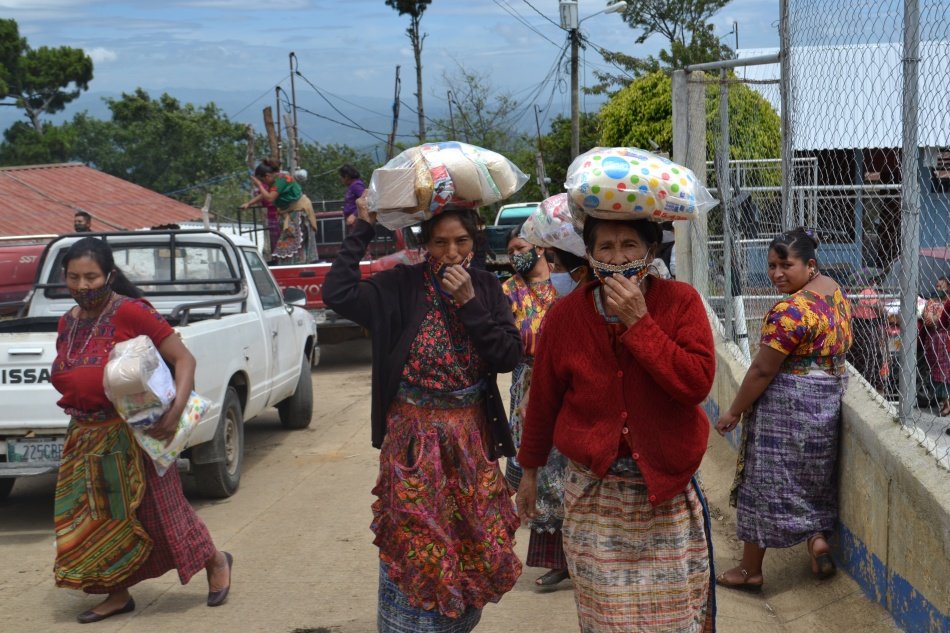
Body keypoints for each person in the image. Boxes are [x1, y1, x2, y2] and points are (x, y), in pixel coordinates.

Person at [322, 196, 523, 632]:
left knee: (469, 539)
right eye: (440, 243)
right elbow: (337, 293)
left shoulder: (487, 288)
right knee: (416, 539)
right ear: (424, 244)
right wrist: (363, 226)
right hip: (413, 443)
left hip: (469, 442)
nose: (452, 253)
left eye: (461, 241)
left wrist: (470, 303)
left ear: (476, 240)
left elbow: (507, 355)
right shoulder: (400, 286)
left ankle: (457, 623)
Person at [517, 216, 716, 632]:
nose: (618, 257)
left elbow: (695, 384)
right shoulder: (565, 317)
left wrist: (640, 323)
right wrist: (529, 471)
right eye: (605, 247)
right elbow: (543, 402)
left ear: (650, 252)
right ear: (588, 254)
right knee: (609, 621)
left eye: (630, 245)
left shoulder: (682, 303)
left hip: (666, 493)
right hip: (595, 495)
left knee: (674, 619)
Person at [50, 237, 233, 623]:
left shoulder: (131, 312)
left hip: (136, 437)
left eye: (91, 277)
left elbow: (183, 359)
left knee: (161, 515)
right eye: (73, 277)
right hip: (85, 436)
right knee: (98, 518)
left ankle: (215, 561)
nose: (82, 286)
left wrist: (178, 408)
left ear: (110, 275)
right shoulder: (67, 322)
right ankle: (116, 593)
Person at [715, 227, 852, 591]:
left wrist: (733, 412)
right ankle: (816, 540)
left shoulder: (790, 311)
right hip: (826, 399)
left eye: (785, 265)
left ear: (809, 265)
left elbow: (762, 369)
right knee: (812, 477)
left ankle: (750, 570)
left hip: (787, 404)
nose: (776, 274)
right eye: (772, 266)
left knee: (765, 481)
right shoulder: (834, 292)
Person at [499, 227, 565, 587]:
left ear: (540, 247)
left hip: (564, 381)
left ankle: (569, 556)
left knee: (564, 466)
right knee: (533, 466)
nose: (515, 255)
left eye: (520, 248)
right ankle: (556, 556)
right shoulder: (507, 291)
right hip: (526, 379)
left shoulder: (565, 282)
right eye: (510, 251)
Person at [241, 162, 318, 264]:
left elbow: (269, 197)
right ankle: (292, 264)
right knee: (290, 242)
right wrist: (249, 203)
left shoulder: (281, 180)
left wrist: (259, 185)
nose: (264, 183)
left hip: (298, 212)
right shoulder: (275, 181)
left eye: (263, 180)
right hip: (290, 213)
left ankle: (296, 264)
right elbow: (266, 194)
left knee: (292, 241)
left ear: (268, 176)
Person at [847, 273, 887, 392]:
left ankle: (858, 387)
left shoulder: (850, 293)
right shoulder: (867, 292)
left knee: (856, 360)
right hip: (868, 328)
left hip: (855, 327)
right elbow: (880, 309)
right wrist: (884, 314)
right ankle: (871, 387)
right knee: (872, 359)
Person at [922, 276, 950, 415]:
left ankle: (947, 404)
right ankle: (946, 403)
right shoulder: (932, 301)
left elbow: (935, 320)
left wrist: (936, 318)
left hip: (946, 340)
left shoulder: (947, 303)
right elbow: (927, 319)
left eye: (942, 286)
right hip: (935, 342)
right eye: (937, 286)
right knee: (940, 374)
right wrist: (938, 319)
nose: (938, 289)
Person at [339, 164, 366, 230]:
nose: (340, 179)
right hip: (352, 223)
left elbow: (365, 201)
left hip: (357, 222)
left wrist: (354, 215)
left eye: (341, 177)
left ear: (346, 176)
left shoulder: (356, 185)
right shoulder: (351, 186)